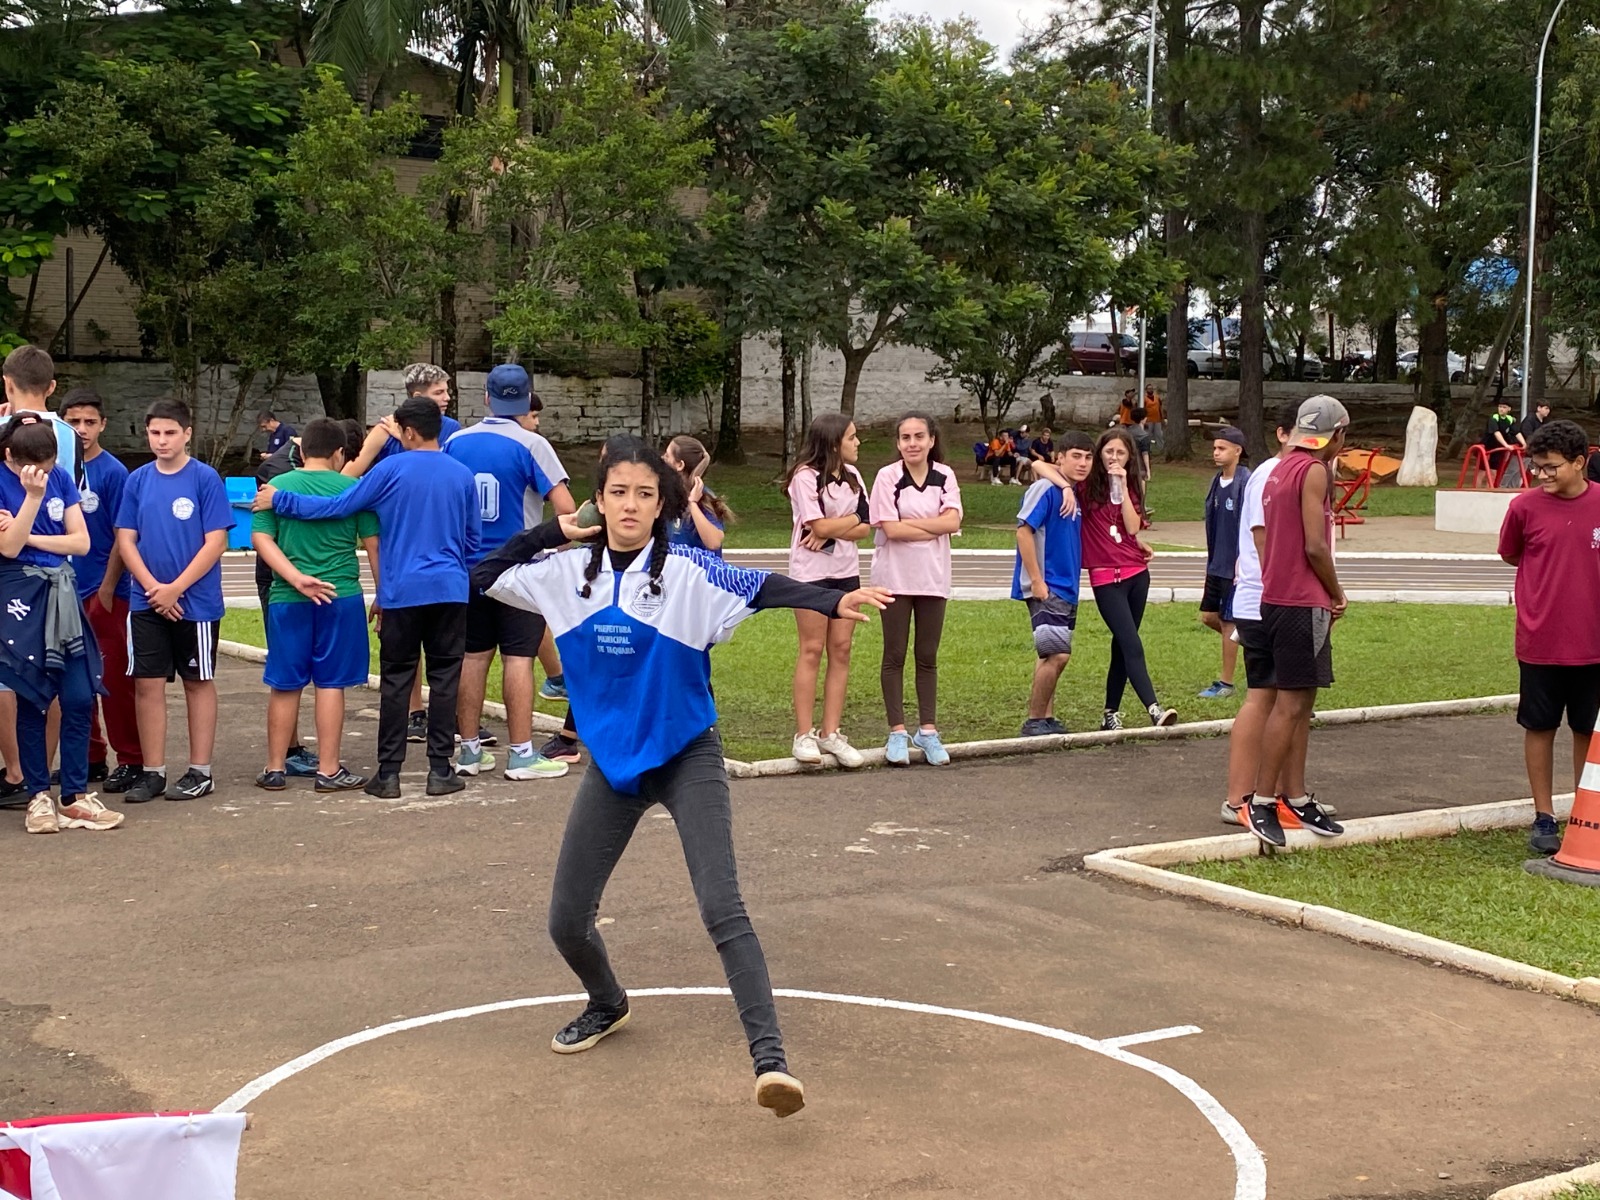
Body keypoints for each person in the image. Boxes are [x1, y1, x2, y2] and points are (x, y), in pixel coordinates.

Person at [472, 435, 891, 1118]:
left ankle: (772, 1064)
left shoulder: (691, 571)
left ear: (662, 501)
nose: (630, 505)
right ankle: (607, 1002)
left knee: (722, 908)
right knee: (565, 922)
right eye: (617, 492)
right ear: (599, 501)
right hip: (613, 763)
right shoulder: (566, 570)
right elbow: (482, 572)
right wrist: (554, 529)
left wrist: (829, 601)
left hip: (686, 752)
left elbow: (764, 585)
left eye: (644, 493)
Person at [257, 397, 480, 799]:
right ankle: (440, 769)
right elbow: (472, 540)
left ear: (408, 431)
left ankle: (389, 773)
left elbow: (340, 506)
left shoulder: (390, 469)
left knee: (397, 679)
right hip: (449, 588)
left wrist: (281, 500)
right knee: (445, 678)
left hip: (403, 591)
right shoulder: (463, 474)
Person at [445, 364, 574, 781]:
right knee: (519, 658)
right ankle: (521, 753)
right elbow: (566, 508)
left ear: (486, 397)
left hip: (469, 567)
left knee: (473, 656)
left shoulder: (455, 442)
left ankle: (467, 750)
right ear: (526, 398)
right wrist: (553, 548)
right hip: (520, 569)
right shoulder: (533, 444)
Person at [1219, 402, 1339, 832]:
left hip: (1269, 596)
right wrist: (1290, 585)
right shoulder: (1286, 472)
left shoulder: (1280, 471)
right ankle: (1246, 798)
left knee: (1290, 701)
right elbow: (1263, 536)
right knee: (1271, 699)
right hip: (1274, 597)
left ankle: (1289, 795)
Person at [0, 415, 122, 834]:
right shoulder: (3, 480)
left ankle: (73, 794)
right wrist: (31, 499)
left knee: (78, 692)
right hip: (18, 595)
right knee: (32, 695)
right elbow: (7, 547)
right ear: (10, 456)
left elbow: (81, 541)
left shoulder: (62, 478)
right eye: (32, 466)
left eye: (49, 466)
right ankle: (38, 795)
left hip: (62, 590)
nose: (43, 474)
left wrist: (31, 536)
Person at [249, 417, 378, 793]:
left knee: (285, 685)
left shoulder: (275, 487)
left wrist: (294, 578)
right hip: (340, 594)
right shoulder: (354, 489)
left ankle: (275, 767)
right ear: (341, 453)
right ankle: (329, 768)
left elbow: (261, 539)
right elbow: (373, 547)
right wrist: (383, 595)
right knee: (330, 684)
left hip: (288, 597)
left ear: (301, 451)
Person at [114, 399, 232, 804]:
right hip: (146, 602)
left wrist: (176, 588)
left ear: (186, 433)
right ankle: (153, 772)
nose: (161, 441)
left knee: (197, 681)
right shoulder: (137, 480)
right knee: (146, 684)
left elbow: (216, 540)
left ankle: (200, 770)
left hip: (194, 603)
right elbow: (126, 539)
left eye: (169, 433)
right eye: (154, 433)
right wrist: (153, 589)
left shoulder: (204, 478)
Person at [344, 364, 464, 744]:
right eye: (439, 393)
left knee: (435, 661)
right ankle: (415, 715)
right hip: (398, 539)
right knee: (403, 658)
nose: (446, 399)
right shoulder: (387, 437)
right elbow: (353, 478)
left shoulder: (452, 434)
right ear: (416, 397)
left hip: (433, 547)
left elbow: (450, 474)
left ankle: (411, 758)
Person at [1498, 419, 1600, 855]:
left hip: (1593, 643)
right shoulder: (1524, 508)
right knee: (1539, 726)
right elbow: (1511, 552)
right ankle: (1543, 816)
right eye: (1535, 467)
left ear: (1581, 462)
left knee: (1585, 730)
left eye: (1551, 467)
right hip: (1540, 641)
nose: (1541, 475)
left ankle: (1585, 813)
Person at [60, 389, 141, 792]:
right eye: (74, 422)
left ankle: (130, 758)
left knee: (112, 679)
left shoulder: (113, 473)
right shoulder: (56, 470)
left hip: (104, 591)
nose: (82, 430)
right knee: (72, 680)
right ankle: (92, 756)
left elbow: (121, 536)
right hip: (61, 591)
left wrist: (108, 588)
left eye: (90, 422)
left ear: (103, 425)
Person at [871, 413, 962, 765]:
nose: (912, 443)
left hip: (932, 577)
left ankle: (928, 731)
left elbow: (953, 520)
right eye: (905, 437)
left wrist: (915, 525)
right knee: (894, 654)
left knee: (927, 655)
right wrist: (934, 527)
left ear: (931, 440)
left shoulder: (945, 475)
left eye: (919, 436)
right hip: (894, 577)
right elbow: (891, 530)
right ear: (898, 443)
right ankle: (896, 731)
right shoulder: (887, 477)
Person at [784, 413, 872, 769]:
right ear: (835, 442)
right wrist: (840, 524)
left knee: (842, 648)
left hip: (845, 572)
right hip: (810, 574)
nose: (858, 443)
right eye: (852, 437)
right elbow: (815, 524)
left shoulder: (853, 478)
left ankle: (830, 733)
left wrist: (838, 527)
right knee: (811, 648)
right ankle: (803, 734)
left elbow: (866, 526)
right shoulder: (804, 478)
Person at [1079, 428, 1176, 730]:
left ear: (1129, 457)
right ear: (1099, 453)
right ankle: (1154, 709)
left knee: (1122, 644)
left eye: (1121, 453)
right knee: (1132, 643)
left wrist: (1121, 485)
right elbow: (1046, 468)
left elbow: (1132, 528)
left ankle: (1110, 713)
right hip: (1106, 578)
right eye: (1109, 452)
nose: (1114, 458)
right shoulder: (1085, 486)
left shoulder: (1130, 486)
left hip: (1136, 573)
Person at [251, 423, 322, 779]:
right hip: (280, 578)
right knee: (289, 672)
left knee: (294, 672)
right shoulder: (278, 471)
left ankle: (284, 758)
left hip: (295, 575)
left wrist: (280, 499)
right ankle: (287, 752)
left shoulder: (281, 481)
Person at [1012, 432, 1093, 736]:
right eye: (1075, 456)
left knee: (1051, 654)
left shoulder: (1072, 491)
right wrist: (1036, 580)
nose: (1082, 463)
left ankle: (1046, 716)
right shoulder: (1046, 489)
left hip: (1068, 585)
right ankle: (1034, 720)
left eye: (1087, 457)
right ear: (1059, 458)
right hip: (1048, 584)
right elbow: (1024, 532)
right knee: (1057, 654)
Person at [1198, 427, 1250, 699]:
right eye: (1215, 448)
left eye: (1222, 448)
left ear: (1237, 451)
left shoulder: (1247, 482)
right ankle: (1251, 642)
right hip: (1215, 564)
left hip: (1235, 568)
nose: (1216, 453)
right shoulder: (1216, 482)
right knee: (1209, 616)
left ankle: (1226, 684)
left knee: (1229, 622)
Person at [663, 435, 732, 554]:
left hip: (701, 570)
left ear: (680, 465)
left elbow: (714, 542)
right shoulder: (667, 494)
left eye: (667, 456)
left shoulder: (704, 497)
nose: (662, 458)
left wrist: (692, 504)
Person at [1506, 401, 1551, 488]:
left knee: (1520, 471)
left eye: (1548, 409)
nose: (1547, 411)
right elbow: (1527, 434)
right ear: (1539, 408)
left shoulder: (1544, 422)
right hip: (1521, 449)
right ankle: (1502, 487)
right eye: (1546, 408)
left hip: (1530, 452)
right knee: (1512, 470)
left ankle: (1513, 488)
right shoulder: (1530, 419)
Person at [1483, 399, 1519, 485]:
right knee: (1482, 471)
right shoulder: (1494, 418)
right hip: (1488, 446)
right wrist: (1506, 445)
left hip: (1499, 447)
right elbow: (1496, 432)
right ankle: (1477, 490)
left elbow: (1516, 432)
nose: (1501, 409)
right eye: (1500, 407)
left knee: (1495, 471)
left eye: (1504, 407)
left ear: (1509, 409)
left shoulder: (1510, 419)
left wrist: (1524, 444)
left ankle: (1490, 489)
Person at [1128, 407, 1153, 480]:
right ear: (1143, 419)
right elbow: (1145, 454)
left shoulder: (1126, 432)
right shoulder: (1144, 435)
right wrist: (1148, 470)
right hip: (1139, 466)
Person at [1143, 384, 1165, 455]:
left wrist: (1162, 418)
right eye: (1149, 389)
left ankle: (1161, 449)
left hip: (1157, 419)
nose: (1150, 390)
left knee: (1159, 434)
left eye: (1151, 389)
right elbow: (1143, 410)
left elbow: (1160, 408)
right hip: (1148, 420)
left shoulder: (1157, 398)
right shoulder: (1144, 399)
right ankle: (1148, 450)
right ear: (1146, 390)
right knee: (1148, 435)